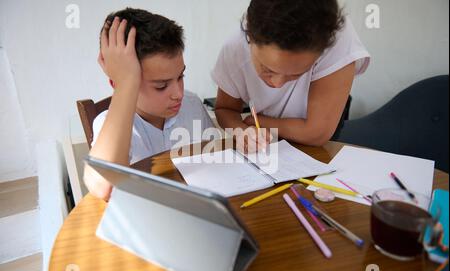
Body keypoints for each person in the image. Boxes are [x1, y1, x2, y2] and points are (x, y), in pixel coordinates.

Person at [84, 8, 215, 200]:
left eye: (181, 76)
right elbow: (104, 186)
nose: (178, 94)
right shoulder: (106, 123)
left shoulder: (191, 104)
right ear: (120, 83)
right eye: (161, 86)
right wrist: (126, 82)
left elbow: (214, 155)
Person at [212, 0, 370, 153]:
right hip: (268, 147)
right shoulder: (235, 48)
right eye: (267, 70)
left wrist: (257, 121)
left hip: (316, 148)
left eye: (297, 74)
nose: (277, 84)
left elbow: (317, 134)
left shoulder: (337, 40)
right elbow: (225, 109)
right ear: (250, 37)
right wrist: (241, 132)